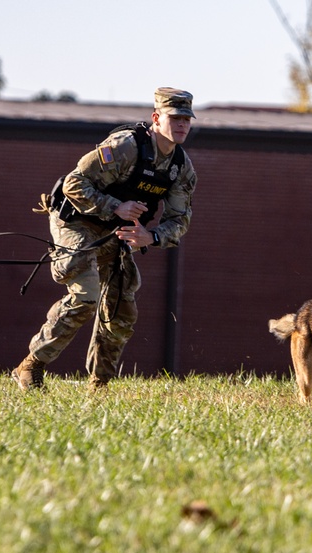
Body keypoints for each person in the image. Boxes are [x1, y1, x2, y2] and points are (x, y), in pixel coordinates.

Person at [11, 87, 198, 391]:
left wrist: (149, 236)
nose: (181, 125)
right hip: (77, 220)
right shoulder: (126, 147)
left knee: (122, 310)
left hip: (113, 232)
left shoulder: (180, 168)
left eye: (186, 120)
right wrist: (116, 206)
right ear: (156, 118)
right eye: (174, 117)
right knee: (86, 295)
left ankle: (98, 387)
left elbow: (179, 220)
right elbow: (73, 183)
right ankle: (31, 366)